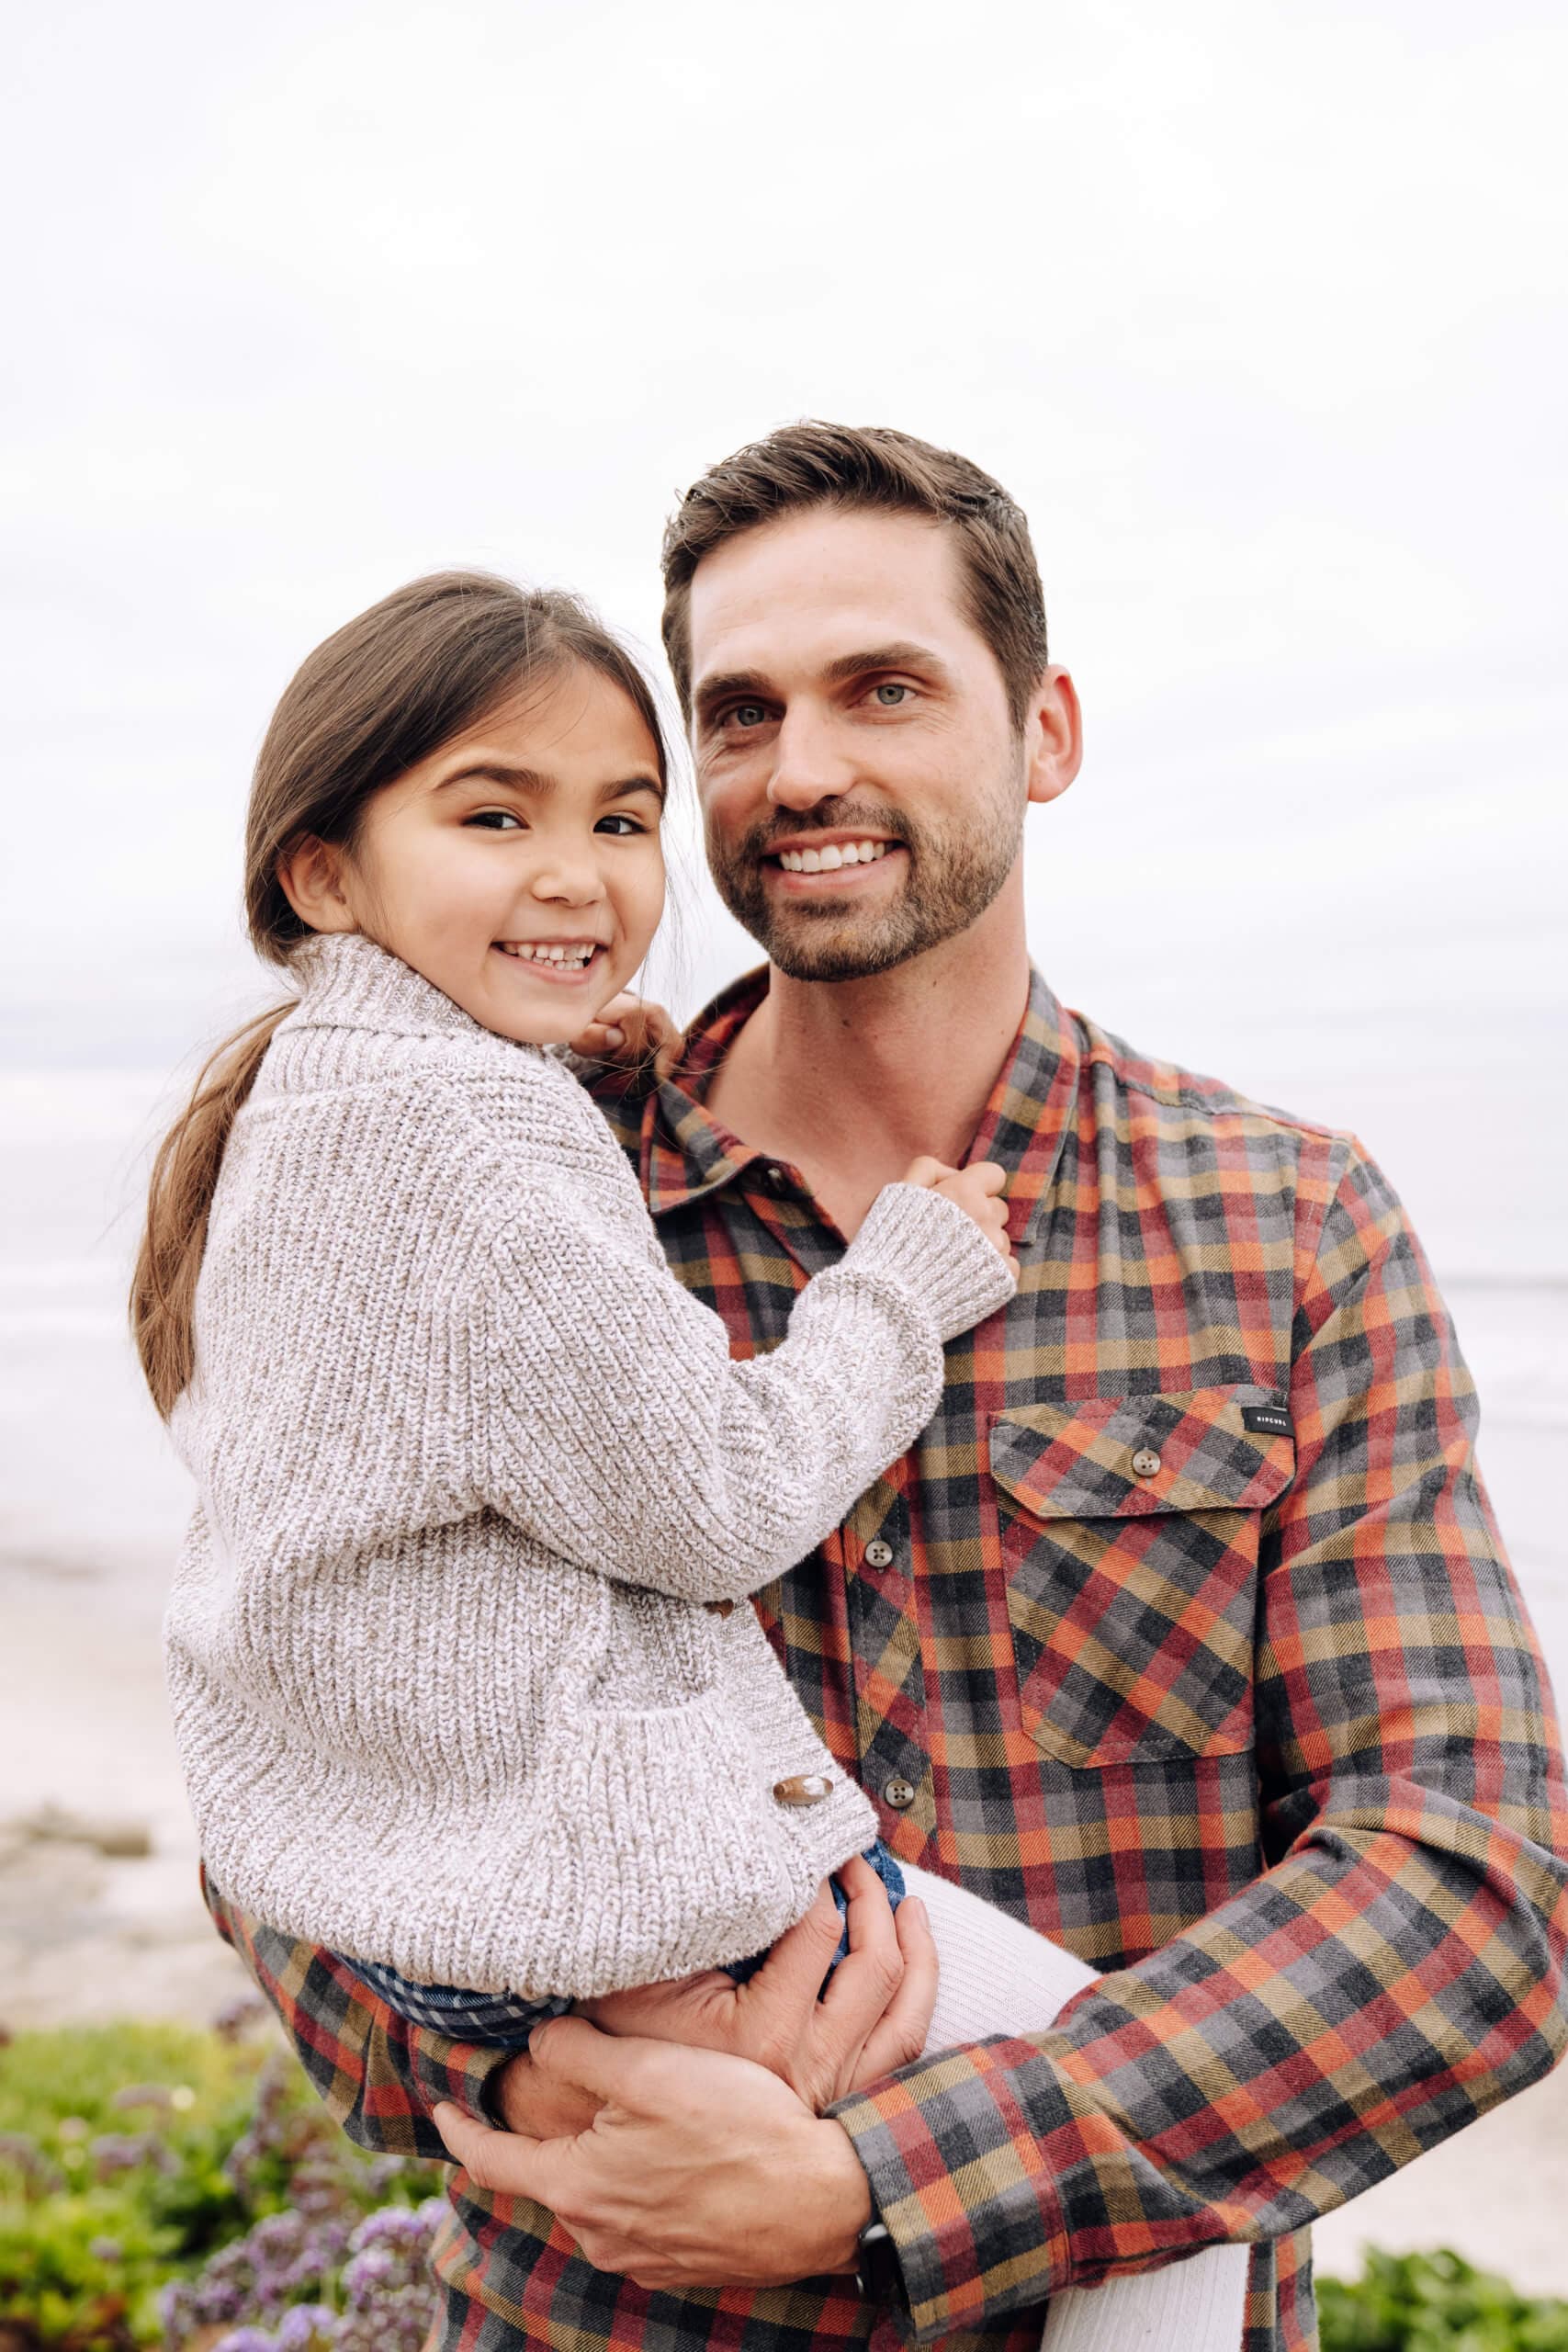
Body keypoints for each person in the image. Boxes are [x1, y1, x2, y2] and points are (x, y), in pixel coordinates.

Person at [200, 425, 1568, 2352]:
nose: (807, 765)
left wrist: (893, 2185)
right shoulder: (496, 1194)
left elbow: (1467, 1873)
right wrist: (520, 2088)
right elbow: (288, 1711)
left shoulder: (1283, 1221)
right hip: (602, 2308)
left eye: (886, 687)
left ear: (1043, 731)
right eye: (740, 711)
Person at [138, 565, 1251, 2352]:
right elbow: (715, 1501)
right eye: (494, 813)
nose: (576, 872)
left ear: (1038, 728)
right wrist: (900, 1276)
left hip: (436, 1905)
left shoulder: (342, 1105)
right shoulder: (467, 1137)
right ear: (322, 868)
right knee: (1152, 2186)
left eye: (621, 816)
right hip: (620, 1907)